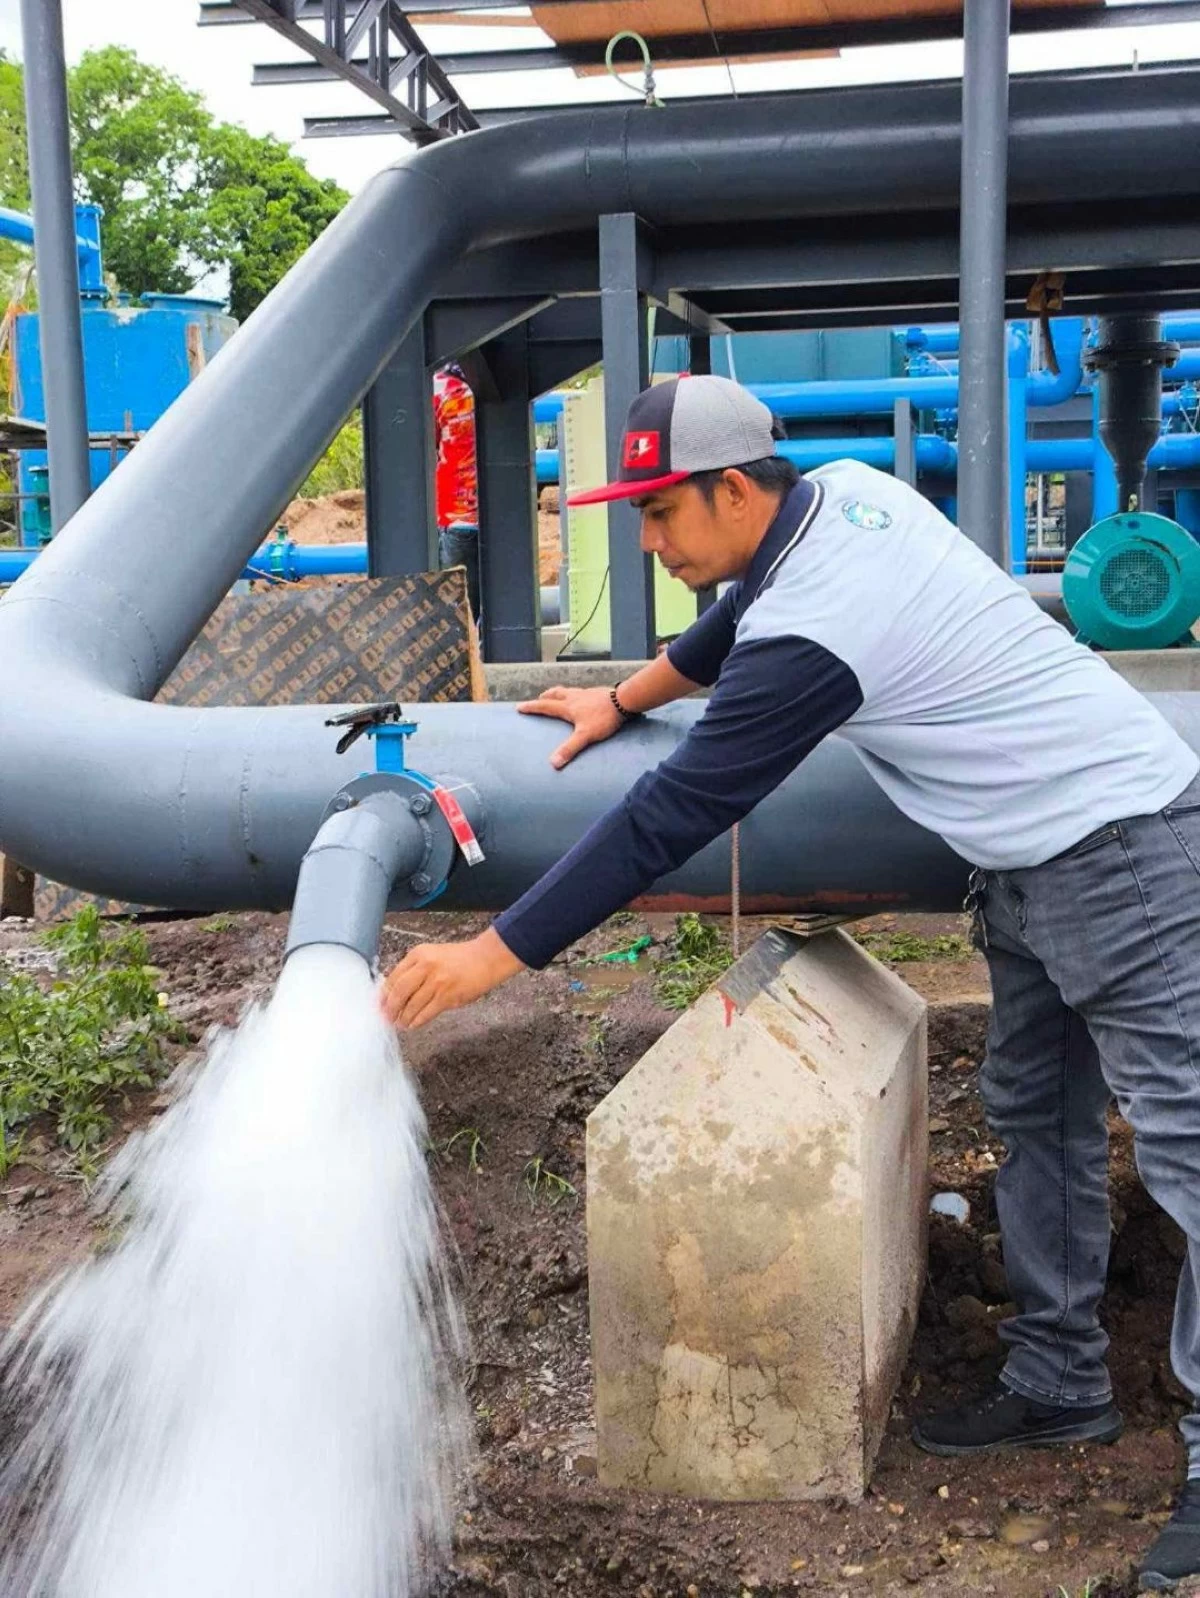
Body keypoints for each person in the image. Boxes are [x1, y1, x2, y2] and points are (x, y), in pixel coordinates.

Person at [382, 373, 1200, 1589]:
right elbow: (730, 619)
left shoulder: (822, 624)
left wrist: (493, 952)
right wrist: (624, 693)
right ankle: (1058, 1383)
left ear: (731, 486)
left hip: (1125, 848)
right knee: (1040, 1115)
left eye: (661, 514)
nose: (648, 541)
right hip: (1030, 859)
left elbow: (676, 813)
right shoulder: (841, 496)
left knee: (1188, 1146)